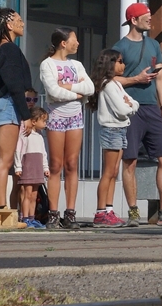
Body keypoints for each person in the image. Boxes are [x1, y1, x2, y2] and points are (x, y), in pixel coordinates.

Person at [113, 2, 162, 227]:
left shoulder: (154, 46)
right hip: (129, 109)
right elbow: (109, 78)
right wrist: (134, 80)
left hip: (152, 109)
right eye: (144, 16)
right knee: (130, 160)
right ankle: (133, 212)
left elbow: (160, 77)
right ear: (133, 20)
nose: (149, 19)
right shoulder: (119, 47)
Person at [39, 28, 93, 230]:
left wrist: (68, 88)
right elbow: (53, 92)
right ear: (63, 42)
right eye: (74, 39)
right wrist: (77, 94)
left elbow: (90, 88)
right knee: (56, 164)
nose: (77, 43)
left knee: (72, 163)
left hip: (75, 117)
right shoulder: (48, 64)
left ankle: (70, 213)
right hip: (56, 116)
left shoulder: (76, 65)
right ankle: (53, 214)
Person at [0, 7, 34, 208]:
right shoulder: (10, 49)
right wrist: (26, 115)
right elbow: (14, 85)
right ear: (9, 25)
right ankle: (2, 209)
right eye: (19, 20)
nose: (22, 23)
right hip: (7, 104)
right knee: (5, 161)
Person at [91, 48, 138, 228]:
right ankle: (100, 212)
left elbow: (133, 103)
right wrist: (130, 107)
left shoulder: (116, 84)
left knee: (114, 172)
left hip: (120, 129)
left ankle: (108, 210)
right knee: (108, 172)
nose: (123, 65)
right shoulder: (108, 85)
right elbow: (123, 109)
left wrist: (131, 106)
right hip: (111, 130)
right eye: (119, 61)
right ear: (111, 64)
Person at [13, 105, 51, 229]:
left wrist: (45, 168)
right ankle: (25, 218)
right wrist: (18, 167)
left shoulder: (40, 137)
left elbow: (43, 154)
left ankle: (32, 218)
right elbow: (18, 150)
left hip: (37, 167)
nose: (45, 123)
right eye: (43, 121)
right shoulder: (25, 134)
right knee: (27, 194)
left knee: (34, 195)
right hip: (28, 166)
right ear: (34, 121)